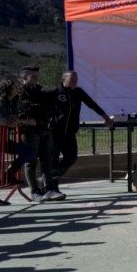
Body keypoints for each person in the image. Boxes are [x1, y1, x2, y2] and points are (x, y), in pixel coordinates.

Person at [51, 70, 113, 181]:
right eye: (72, 79)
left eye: (76, 79)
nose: (75, 81)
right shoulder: (55, 92)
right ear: (63, 79)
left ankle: (51, 177)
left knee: (71, 157)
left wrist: (106, 117)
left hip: (69, 133)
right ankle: (50, 186)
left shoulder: (78, 92)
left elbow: (92, 104)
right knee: (53, 159)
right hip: (55, 133)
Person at [14, 67, 64, 202]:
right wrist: (41, 108)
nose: (37, 78)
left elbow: (50, 106)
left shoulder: (39, 91)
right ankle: (35, 191)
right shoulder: (19, 92)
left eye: (37, 76)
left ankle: (49, 189)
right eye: (33, 76)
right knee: (31, 161)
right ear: (25, 77)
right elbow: (25, 108)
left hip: (44, 129)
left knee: (47, 160)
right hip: (29, 132)